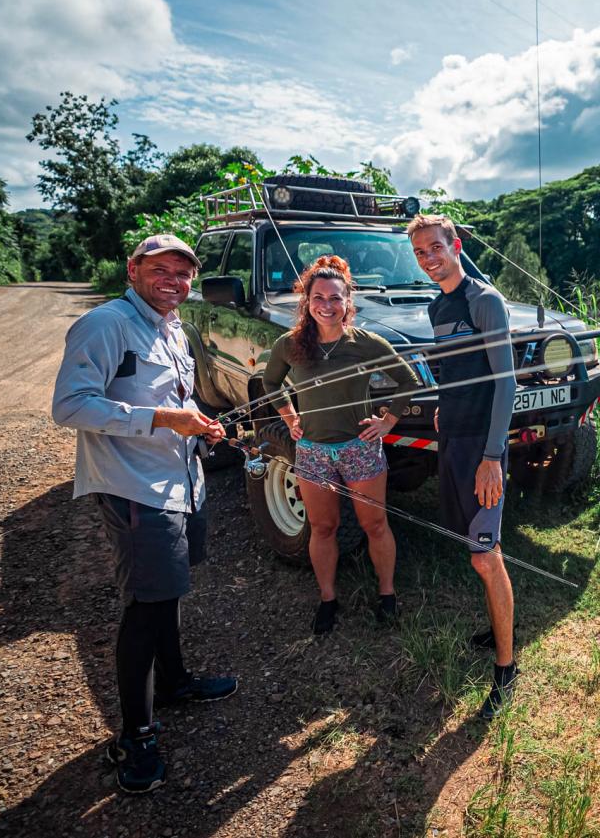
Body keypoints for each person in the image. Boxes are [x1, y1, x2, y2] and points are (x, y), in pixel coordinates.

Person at [52, 233, 237, 794]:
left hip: (181, 481)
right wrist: (160, 420)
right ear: (132, 269)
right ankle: (134, 734)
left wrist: (201, 424)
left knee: (169, 590)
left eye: (183, 275)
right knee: (146, 604)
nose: (173, 283)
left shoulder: (175, 327)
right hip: (136, 488)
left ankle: (175, 680)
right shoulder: (106, 325)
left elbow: (178, 399)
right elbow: (71, 405)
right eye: (160, 270)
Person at [262, 255, 418, 634]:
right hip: (313, 450)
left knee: (375, 524)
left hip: (359, 447)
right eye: (319, 297)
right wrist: (290, 418)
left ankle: (387, 595)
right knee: (323, 527)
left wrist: (387, 421)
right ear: (306, 300)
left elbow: (409, 381)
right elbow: (270, 384)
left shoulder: (366, 343)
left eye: (336, 298)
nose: (327, 306)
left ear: (349, 301)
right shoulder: (290, 344)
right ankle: (328, 599)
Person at [408, 214, 518, 719]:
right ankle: (497, 630)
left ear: (455, 245)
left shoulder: (484, 300)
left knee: (484, 555)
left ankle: (506, 667)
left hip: (481, 446)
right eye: (420, 253)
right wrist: (441, 407)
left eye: (436, 248)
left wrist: (493, 457)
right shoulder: (437, 305)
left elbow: (506, 383)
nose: (430, 259)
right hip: (451, 436)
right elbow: (454, 369)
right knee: (472, 545)